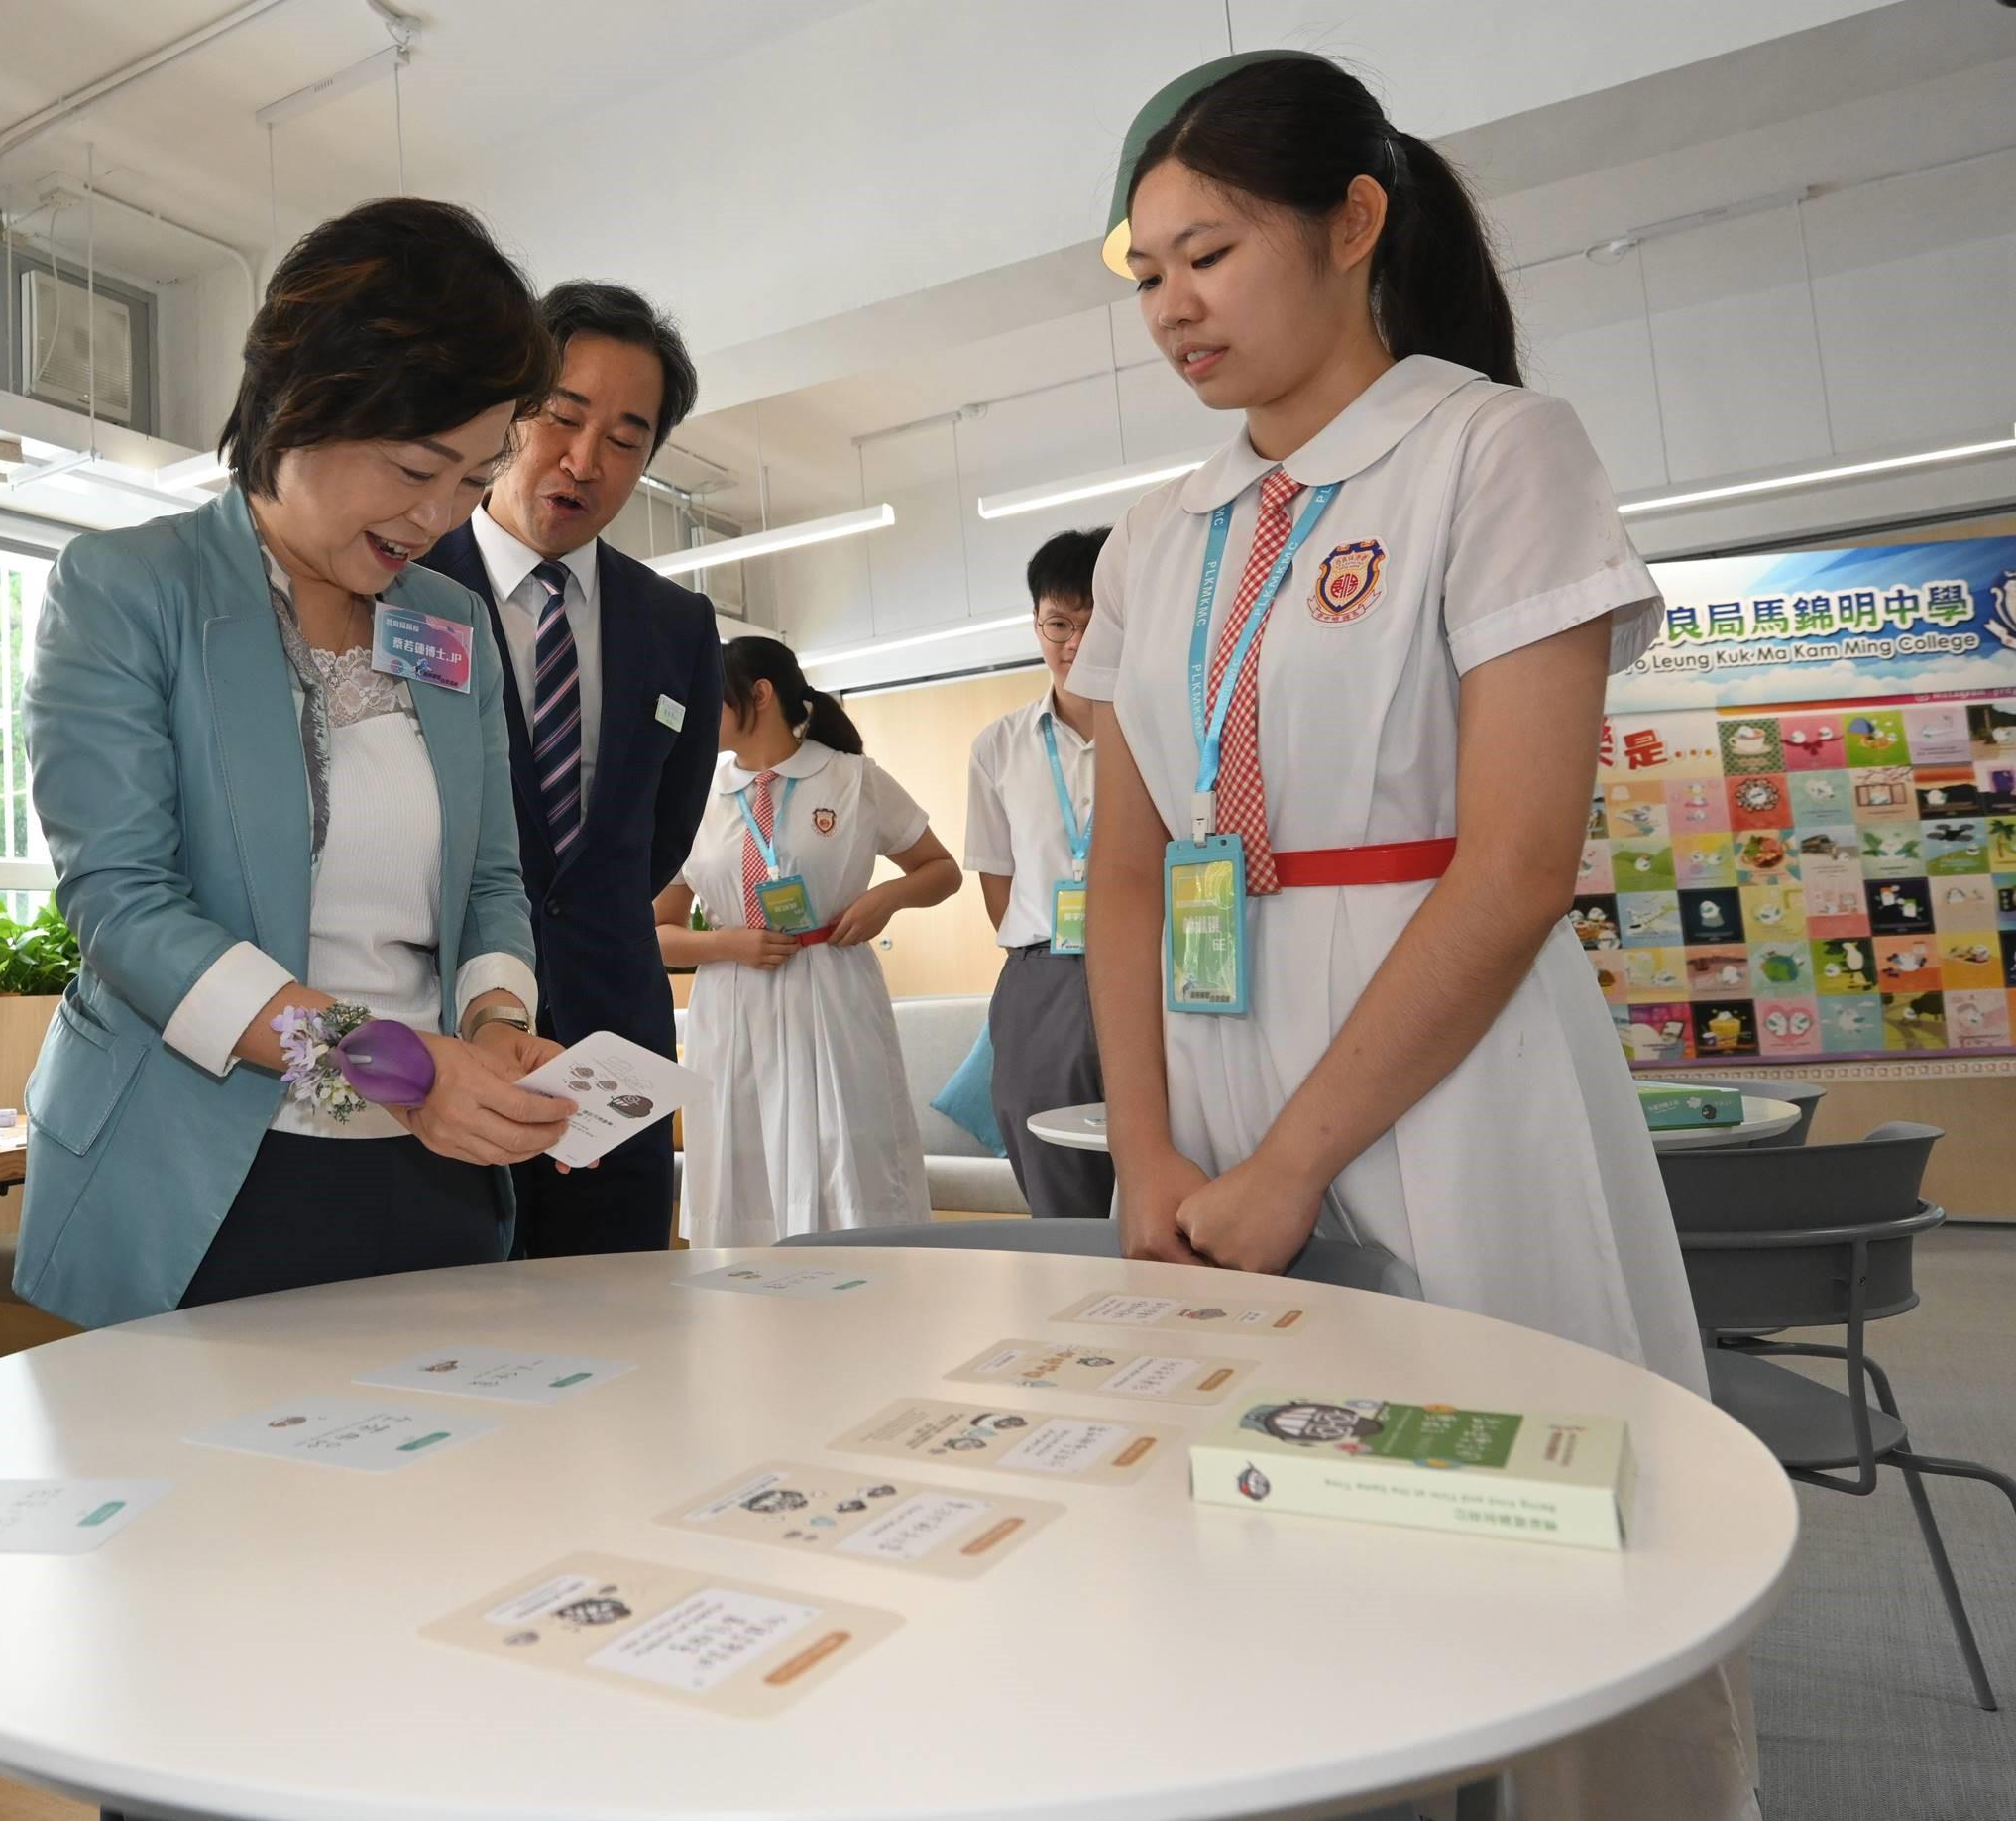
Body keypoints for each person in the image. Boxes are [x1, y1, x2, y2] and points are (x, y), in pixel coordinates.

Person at [1074, 54, 1754, 1820]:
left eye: (1207, 254)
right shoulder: (1158, 540)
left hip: (1450, 1065)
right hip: (1210, 1075)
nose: (1172, 308)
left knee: (1566, 1531)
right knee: (1261, 1538)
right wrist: (1147, 1144)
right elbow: (1131, 873)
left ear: (1353, 222)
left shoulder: (1492, 448)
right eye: (1144, 271)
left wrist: (1298, 1156)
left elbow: (1520, 862)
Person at [18, 198, 576, 1328]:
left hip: (431, 1170)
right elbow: (127, 910)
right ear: (298, 404)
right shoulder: (132, 590)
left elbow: (489, 882)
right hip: (202, 1174)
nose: (438, 514)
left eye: (473, 478)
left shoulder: (450, 622)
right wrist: (397, 1070)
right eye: (416, 466)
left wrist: (490, 1026)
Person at [420, 282, 723, 1257]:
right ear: (511, 411)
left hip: (613, 1054)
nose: (586, 461)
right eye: (563, 416)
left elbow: (654, 842)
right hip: (444, 1052)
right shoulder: (407, 587)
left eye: (627, 438)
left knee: (625, 1346)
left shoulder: (676, 626)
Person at [654, 637, 961, 1246]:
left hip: (832, 987)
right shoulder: (694, 794)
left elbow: (942, 871)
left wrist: (886, 899)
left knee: (844, 1158)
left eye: (709, 696)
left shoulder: (852, 779)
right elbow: (656, 935)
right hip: (732, 1004)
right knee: (742, 1164)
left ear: (760, 694)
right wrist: (728, 945)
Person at [963, 527, 1115, 1216]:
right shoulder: (998, 746)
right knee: (1051, 1168)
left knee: (1170, 1155)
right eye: (1058, 623)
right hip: (1042, 970)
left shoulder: (1165, 727)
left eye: (1093, 622)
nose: (1074, 643)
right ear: (1035, 623)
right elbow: (997, 879)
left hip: (1158, 963)